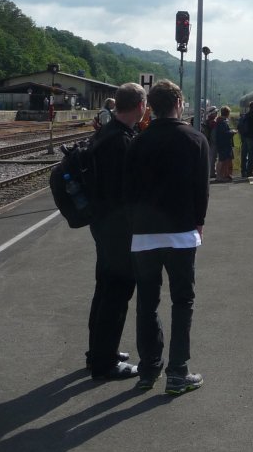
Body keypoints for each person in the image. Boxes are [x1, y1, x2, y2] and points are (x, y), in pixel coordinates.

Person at [125, 79, 211, 395]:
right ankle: (178, 372)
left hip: (144, 236)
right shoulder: (195, 139)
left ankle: (148, 370)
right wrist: (198, 223)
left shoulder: (137, 143)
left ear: (151, 107)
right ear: (178, 104)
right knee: (182, 301)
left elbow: (128, 190)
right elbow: (202, 189)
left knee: (147, 302)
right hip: (182, 234)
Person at [86, 82, 146, 381]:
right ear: (140, 106)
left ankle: (97, 350)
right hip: (117, 228)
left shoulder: (106, 133)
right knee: (116, 293)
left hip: (103, 224)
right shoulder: (121, 142)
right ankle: (104, 362)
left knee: (103, 289)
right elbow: (125, 191)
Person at [238, 101, 253, 179]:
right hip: (251, 138)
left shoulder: (244, 116)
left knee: (244, 155)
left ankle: (243, 172)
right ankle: (250, 172)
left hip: (243, 138)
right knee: (251, 155)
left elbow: (239, 126)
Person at [214, 106, 235, 182]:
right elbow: (224, 133)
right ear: (227, 113)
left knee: (225, 160)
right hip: (223, 144)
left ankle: (224, 175)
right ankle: (219, 177)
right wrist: (232, 132)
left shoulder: (221, 121)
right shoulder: (222, 122)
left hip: (224, 143)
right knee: (222, 160)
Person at [202, 106, 219, 178]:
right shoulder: (213, 122)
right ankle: (212, 173)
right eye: (216, 112)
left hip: (208, 141)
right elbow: (214, 134)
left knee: (211, 157)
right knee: (213, 158)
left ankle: (211, 171)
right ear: (212, 114)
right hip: (212, 142)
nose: (217, 114)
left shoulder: (207, 121)